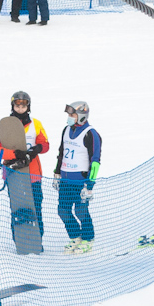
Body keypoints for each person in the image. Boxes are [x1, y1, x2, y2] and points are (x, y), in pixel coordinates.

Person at [0, 91, 49, 236]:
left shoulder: (36, 124)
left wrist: (36, 149)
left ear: (28, 107)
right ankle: (20, 238)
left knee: (35, 207)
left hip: (33, 173)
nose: (20, 109)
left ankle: (37, 238)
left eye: (23, 106)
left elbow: (45, 145)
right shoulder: (4, 125)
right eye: (17, 106)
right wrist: (15, 154)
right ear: (12, 106)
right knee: (17, 208)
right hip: (13, 173)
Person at [54, 101, 101, 254]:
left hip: (81, 181)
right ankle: (75, 236)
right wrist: (57, 173)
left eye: (72, 114)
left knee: (81, 211)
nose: (69, 117)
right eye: (69, 114)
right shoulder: (66, 130)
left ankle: (88, 238)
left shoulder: (90, 134)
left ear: (81, 116)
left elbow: (95, 161)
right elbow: (62, 152)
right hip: (65, 180)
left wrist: (90, 184)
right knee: (63, 210)